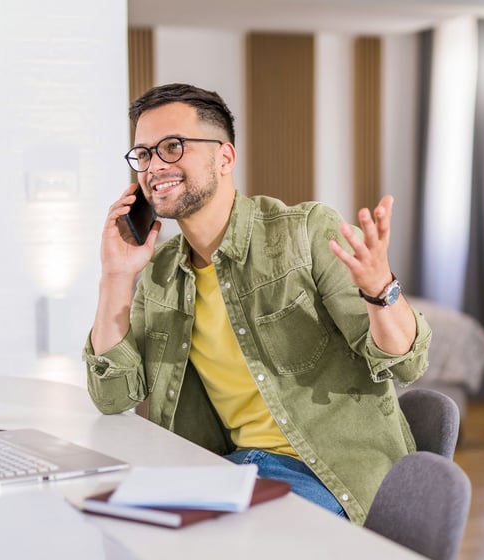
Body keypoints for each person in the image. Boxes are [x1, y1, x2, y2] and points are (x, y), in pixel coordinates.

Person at [84, 83, 431, 525]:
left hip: (328, 476)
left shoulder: (303, 232)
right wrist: (115, 275)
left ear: (225, 157)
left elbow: (407, 364)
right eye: (144, 154)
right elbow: (112, 397)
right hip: (229, 469)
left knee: (214, 555)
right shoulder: (160, 273)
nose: (154, 166)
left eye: (172, 147)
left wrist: (381, 289)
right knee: (112, 523)